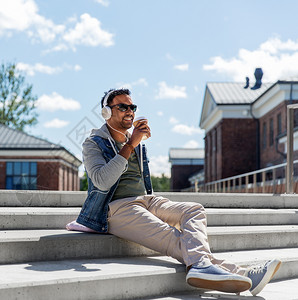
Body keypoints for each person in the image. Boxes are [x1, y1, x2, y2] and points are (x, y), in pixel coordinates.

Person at [67, 88, 281, 296]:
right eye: (123, 107)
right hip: (116, 209)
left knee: (194, 210)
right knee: (174, 237)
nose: (130, 111)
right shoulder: (93, 143)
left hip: (146, 201)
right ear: (107, 111)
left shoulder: (136, 143)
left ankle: (204, 267)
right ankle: (243, 274)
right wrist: (131, 145)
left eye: (132, 106)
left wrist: (134, 144)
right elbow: (103, 182)